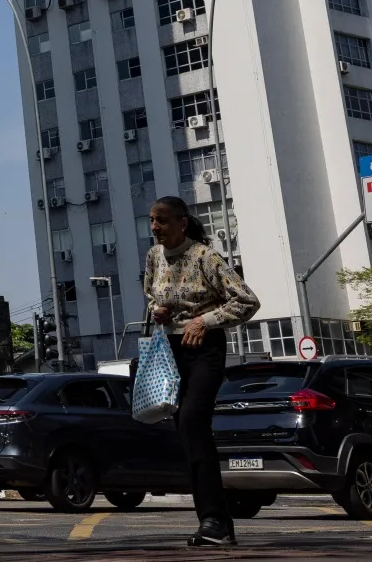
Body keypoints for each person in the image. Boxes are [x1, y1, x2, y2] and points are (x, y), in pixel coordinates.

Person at [143, 195, 260, 548]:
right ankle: (214, 522)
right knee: (185, 428)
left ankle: (215, 520)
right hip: (169, 349)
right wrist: (158, 311)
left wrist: (204, 321)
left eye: (162, 220)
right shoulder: (152, 256)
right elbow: (150, 294)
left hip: (205, 349)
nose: (155, 227)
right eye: (151, 220)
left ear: (182, 222)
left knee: (193, 419)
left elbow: (247, 300)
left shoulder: (205, 256)